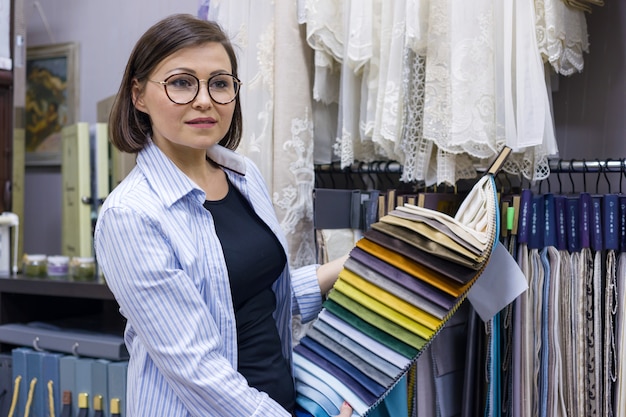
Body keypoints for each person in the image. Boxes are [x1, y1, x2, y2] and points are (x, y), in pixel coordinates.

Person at [94, 13, 353, 417]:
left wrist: (357, 263)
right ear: (138, 95)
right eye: (181, 82)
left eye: (219, 83)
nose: (204, 99)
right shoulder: (131, 215)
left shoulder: (243, 177)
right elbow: (196, 369)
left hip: (281, 402)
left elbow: (256, 298)